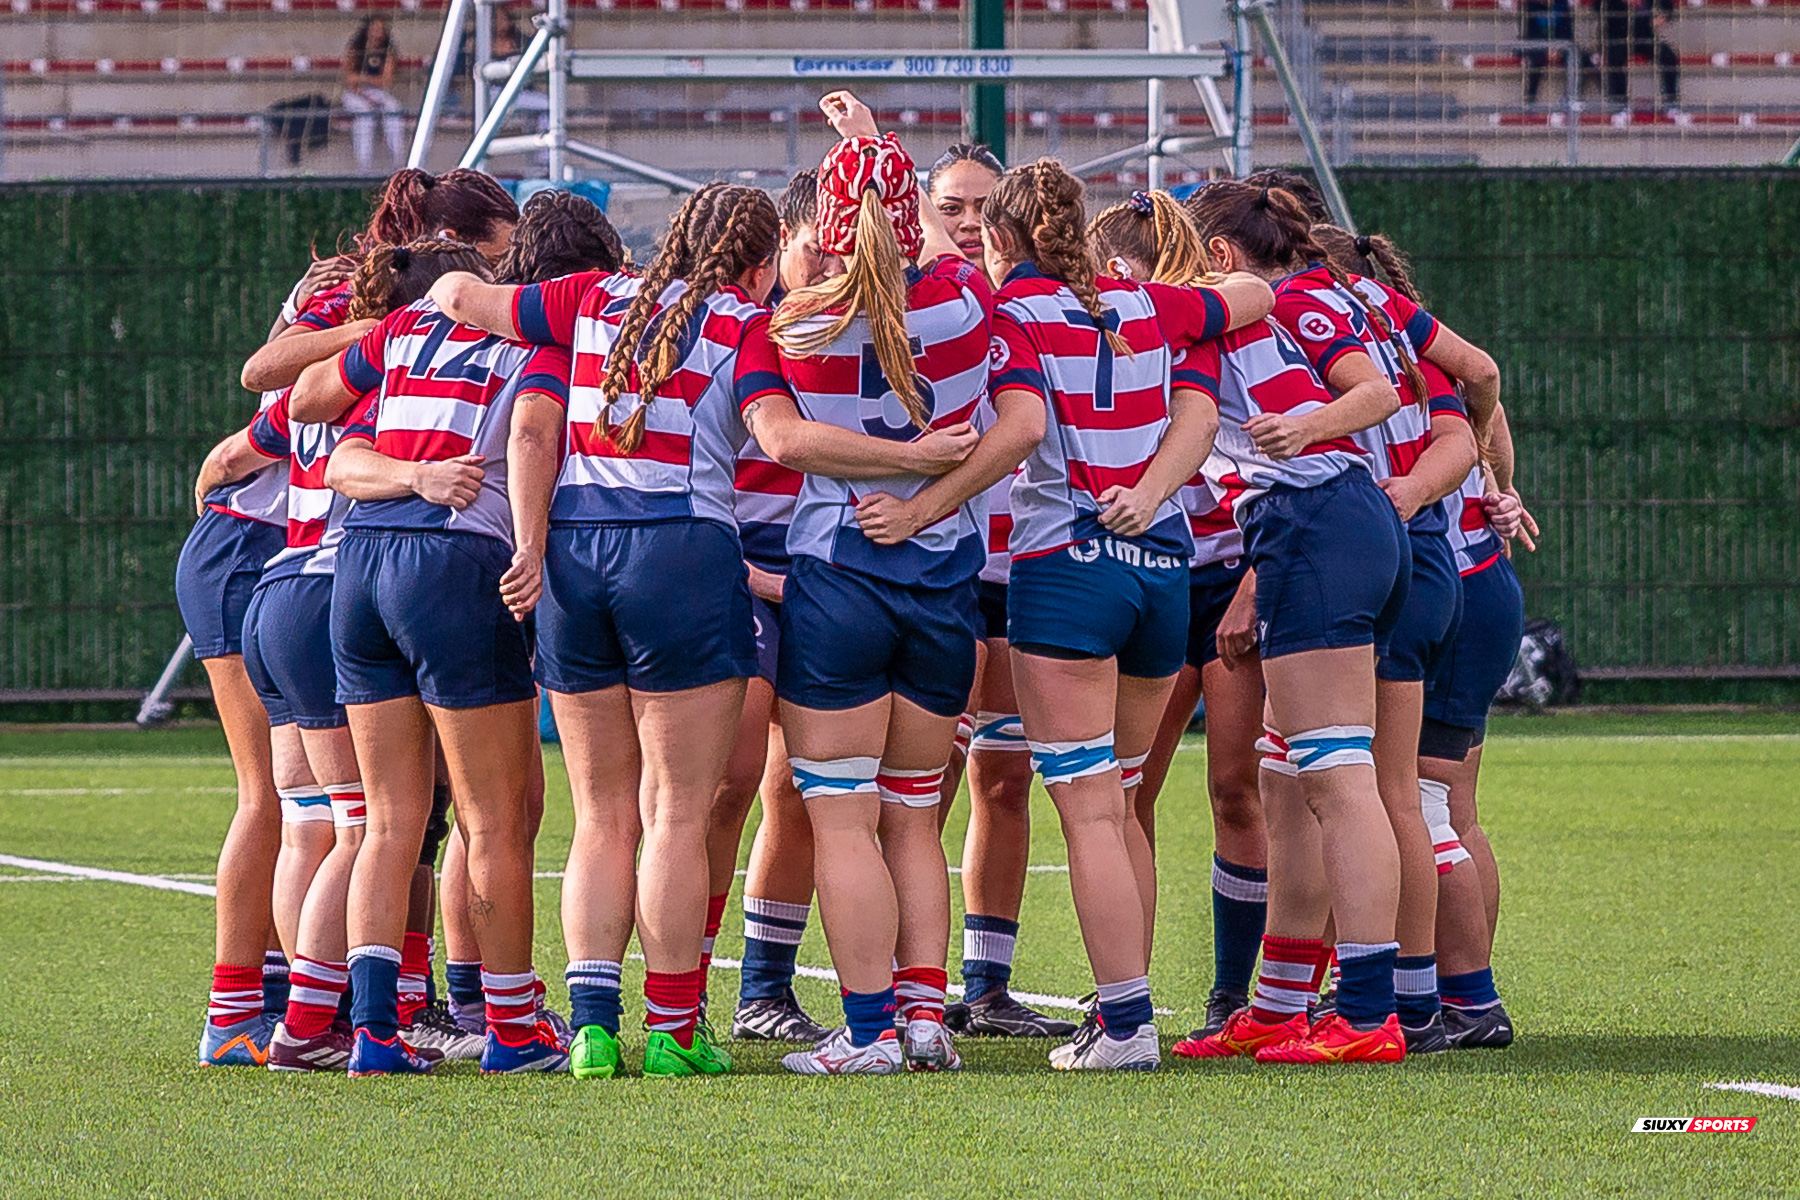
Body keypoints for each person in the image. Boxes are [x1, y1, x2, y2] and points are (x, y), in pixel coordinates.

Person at [432, 183, 782, 1081]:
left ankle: (590, 1028)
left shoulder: (589, 297)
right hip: (682, 551)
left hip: (577, 558)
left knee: (601, 813)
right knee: (674, 810)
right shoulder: (741, 319)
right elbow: (776, 437)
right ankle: (669, 1031)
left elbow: (463, 297)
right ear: (756, 260)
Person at [732, 93, 992, 1076]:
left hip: (839, 580)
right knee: (916, 816)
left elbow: (785, 439)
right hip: (945, 585)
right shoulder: (968, 302)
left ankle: (872, 1030)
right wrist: (928, 463)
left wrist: (860, 156)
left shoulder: (795, 322)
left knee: (839, 814)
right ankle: (927, 1021)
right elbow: (939, 255)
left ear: (826, 230)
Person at [289, 237, 568, 1077]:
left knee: (386, 821)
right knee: (494, 821)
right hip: (452, 570)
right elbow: (531, 436)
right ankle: (512, 1031)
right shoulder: (539, 335)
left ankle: (374, 1034)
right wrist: (531, 542)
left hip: (360, 568)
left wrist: (410, 477)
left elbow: (326, 435)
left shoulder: (399, 333)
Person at [1180, 181, 1410, 1064]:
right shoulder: (1272, 307)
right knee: (1286, 782)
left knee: (1338, 780)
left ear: (1222, 258)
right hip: (1320, 526)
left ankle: (1366, 1012)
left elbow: (1379, 393)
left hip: (1319, 525)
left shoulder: (1275, 303)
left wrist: (1304, 428)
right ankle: (1278, 1005)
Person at [1088, 190, 1271, 1048]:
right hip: (1155, 567)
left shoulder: (1215, 324)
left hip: (1233, 569)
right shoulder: (1103, 326)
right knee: (1132, 789)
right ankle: (1127, 991)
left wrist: (1259, 580)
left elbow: (1292, 459)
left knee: (1242, 786)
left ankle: (1238, 994)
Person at [1297, 222, 1481, 1054]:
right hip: (1440, 562)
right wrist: (1490, 494)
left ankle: (1390, 1001)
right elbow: (1475, 412)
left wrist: (1399, 500)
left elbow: (1473, 409)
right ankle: (1439, 1000)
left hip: (1396, 562)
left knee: (1378, 793)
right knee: (1416, 800)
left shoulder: (1319, 318)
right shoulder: (1394, 332)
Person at [717, 168, 840, 1045]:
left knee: (800, 787)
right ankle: (674, 997)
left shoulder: (878, 331)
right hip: (744, 577)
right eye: (813, 247)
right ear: (778, 252)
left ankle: (764, 990)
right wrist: (750, 576)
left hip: (828, 579)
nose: (832, 262)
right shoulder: (738, 334)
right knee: (716, 789)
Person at [342, 17, 406, 173]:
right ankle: (364, 168)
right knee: (365, 115)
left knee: (394, 109)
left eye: (380, 30)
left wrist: (362, 78)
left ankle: (398, 164)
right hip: (355, 94)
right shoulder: (355, 48)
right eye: (374, 29)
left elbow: (385, 81)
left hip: (379, 92)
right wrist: (364, 93)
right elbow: (350, 80)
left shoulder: (388, 51)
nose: (377, 34)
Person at [1599, 0, 1679, 110]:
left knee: (1668, 56)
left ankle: (1671, 103)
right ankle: (1620, 106)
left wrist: (1664, 17)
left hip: (1645, 36)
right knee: (1613, 59)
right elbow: (1598, 10)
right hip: (1619, 38)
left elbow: (1667, 6)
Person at [1521, 0, 1575, 106]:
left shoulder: (1562, 6)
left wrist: (1558, 49)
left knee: (1579, 59)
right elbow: (1530, 35)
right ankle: (1530, 100)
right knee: (1534, 61)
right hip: (1539, 47)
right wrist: (1547, 50)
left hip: (1560, 46)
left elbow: (1568, 33)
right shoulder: (1531, 6)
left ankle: (1569, 97)